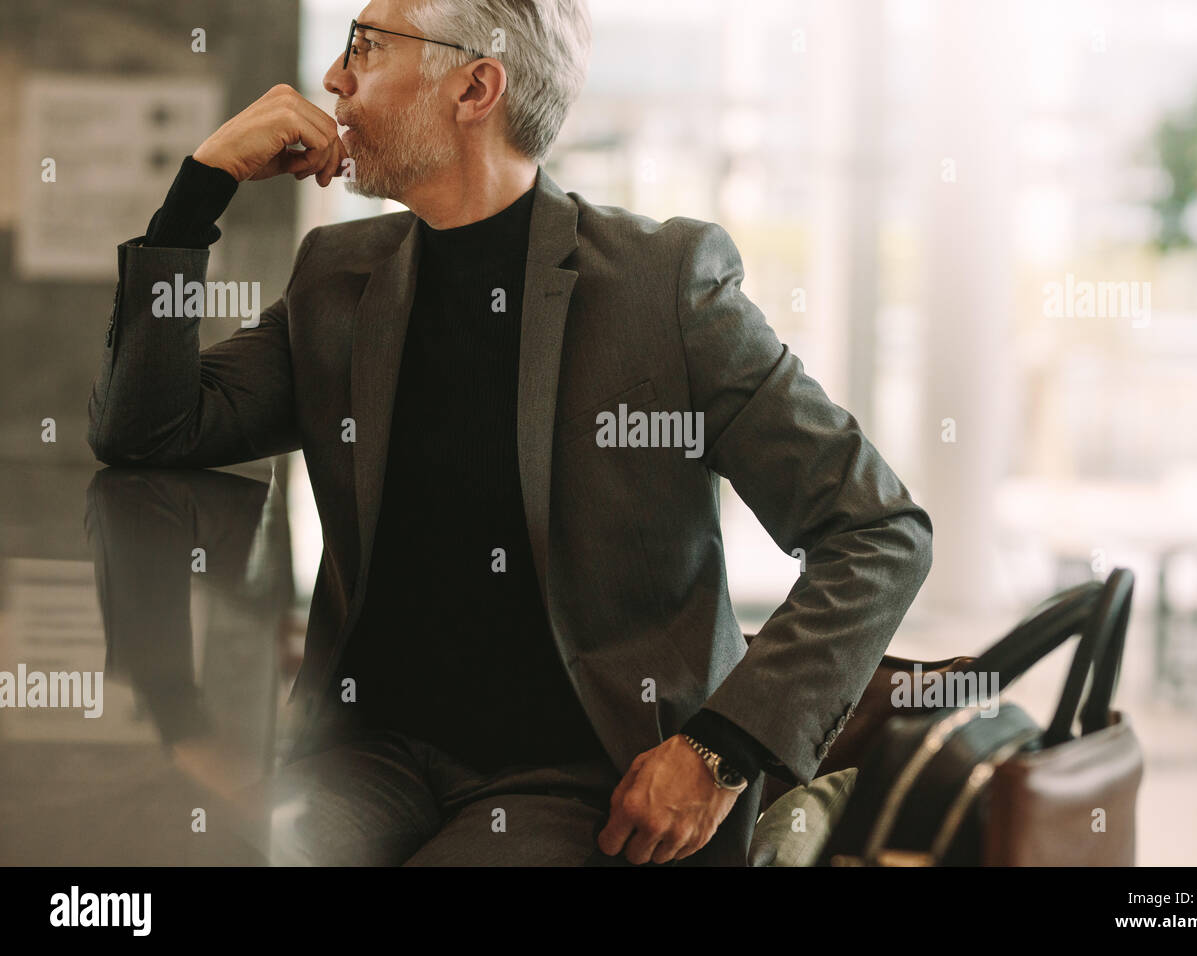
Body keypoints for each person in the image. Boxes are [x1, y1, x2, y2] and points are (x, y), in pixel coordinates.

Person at [86, 0, 933, 866]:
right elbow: (150, 429)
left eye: (366, 48)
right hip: (363, 757)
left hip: (584, 777)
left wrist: (719, 751)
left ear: (475, 86)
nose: (335, 79)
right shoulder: (339, 277)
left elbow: (876, 532)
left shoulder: (663, 286)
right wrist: (198, 194)